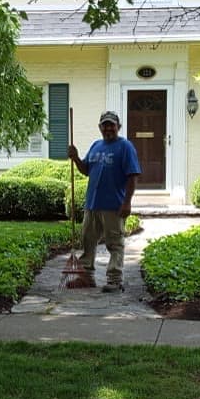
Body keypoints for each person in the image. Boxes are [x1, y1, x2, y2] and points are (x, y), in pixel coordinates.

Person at [67, 110, 141, 292]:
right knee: (87, 241)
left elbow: (132, 176)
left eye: (111, 125)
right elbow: (86, 170)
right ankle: (87, 278)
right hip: (93, 203)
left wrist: (127, 202)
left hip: (113, 205)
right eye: (105, 125)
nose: (108, 128)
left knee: (114, 243)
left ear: (118, 127)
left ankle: (115, 280)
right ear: (100, 127)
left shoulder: (125, 147)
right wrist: (76, 158)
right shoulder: (96, 145)